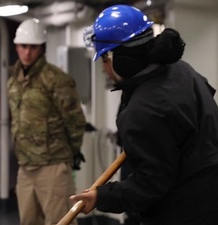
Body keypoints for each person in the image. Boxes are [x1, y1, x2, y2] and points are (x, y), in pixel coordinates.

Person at [70, 4, 218, 225]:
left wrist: (101, 197)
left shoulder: (142, 110)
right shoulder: (181, 70)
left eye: (104, 59)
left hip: (183, 211)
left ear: (119, 58)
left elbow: (151, 184)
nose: (103, 68)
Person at [7, 18, 86, 225]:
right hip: (25, 166)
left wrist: (72, 151)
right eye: (23, 47)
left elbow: (75, 120)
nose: (27, 53)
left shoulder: (56, 79)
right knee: (29, 221)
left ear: (41, 48)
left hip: (53, 165)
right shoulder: (13, 80)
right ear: (16, 47)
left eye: (32, 47)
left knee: (61, 221)